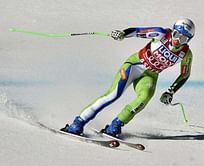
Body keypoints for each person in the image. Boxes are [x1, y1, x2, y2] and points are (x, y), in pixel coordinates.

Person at [62, 18, 195, 137]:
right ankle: (78, 123)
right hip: (133, 66)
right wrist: (123, 34)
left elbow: (185, 74)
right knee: (113, 95)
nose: (177, 40)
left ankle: (115, 126)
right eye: (176, 35)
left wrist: (170, 91)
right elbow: (137, 31)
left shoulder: (186, 54)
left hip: (150, 75)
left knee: (144, 98)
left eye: (183, 39)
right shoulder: (161, 33)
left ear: (188, 40)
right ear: (172, 31)